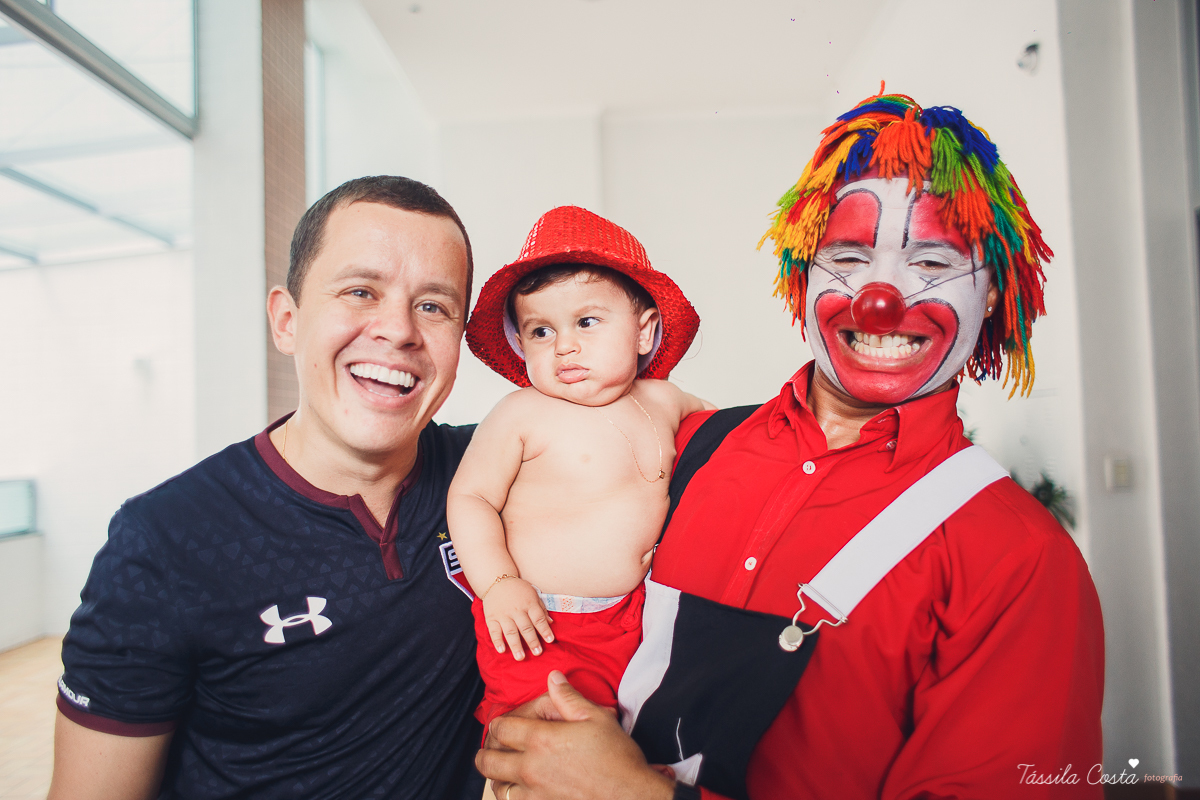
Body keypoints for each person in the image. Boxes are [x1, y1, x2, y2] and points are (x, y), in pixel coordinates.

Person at [476, 91, 1105, 800]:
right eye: (847, 256)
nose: (880, 299)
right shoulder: (695, 444)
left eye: (931, 263)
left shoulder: (1018, 558)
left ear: (992, 294)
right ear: (803, 274)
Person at [49, 176, 487, 800]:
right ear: (287, 321)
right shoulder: (166, 541)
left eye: (434, 306)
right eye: (360, 291)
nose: (398, 330)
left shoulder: (493, 474)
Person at [449, 206, 712, 730]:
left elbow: (732, 441)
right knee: (538, 738)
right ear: (520, 345)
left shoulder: (666, 401)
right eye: (541, 331)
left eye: (586, 322)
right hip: (538, 622)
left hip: (638, 619)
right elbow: (471, 498)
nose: (564, 345)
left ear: (643, 333)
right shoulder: (523, 413)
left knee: (633, 737)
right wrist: (499, 582)